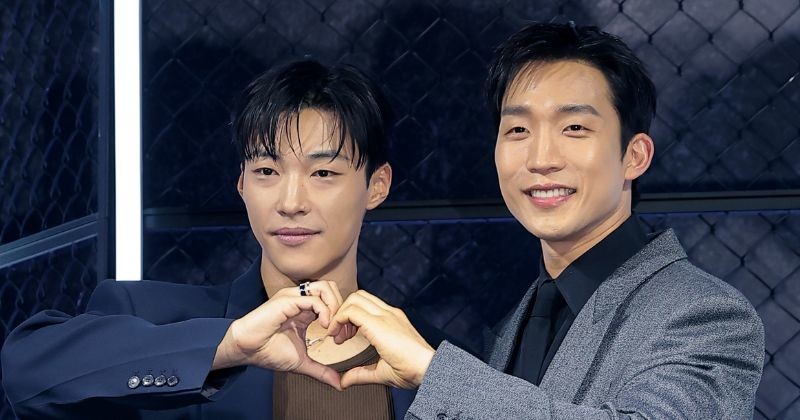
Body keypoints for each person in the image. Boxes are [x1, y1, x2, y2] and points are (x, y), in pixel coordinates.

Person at [326, 22, 765, 419]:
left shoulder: (706, 315)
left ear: (635, 156)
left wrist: (432, 371)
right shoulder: (515, 325)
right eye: (518, 130)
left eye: (574, 128)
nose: (541, 159)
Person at [1, 60, 430, 419]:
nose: (291, 201)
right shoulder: (153, 318)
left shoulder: (425, 354)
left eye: (323, 173)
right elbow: (24, 373)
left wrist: (437, 375)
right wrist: (227, 346)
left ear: (377, 185)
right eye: (267, 171)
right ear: (242, 184)